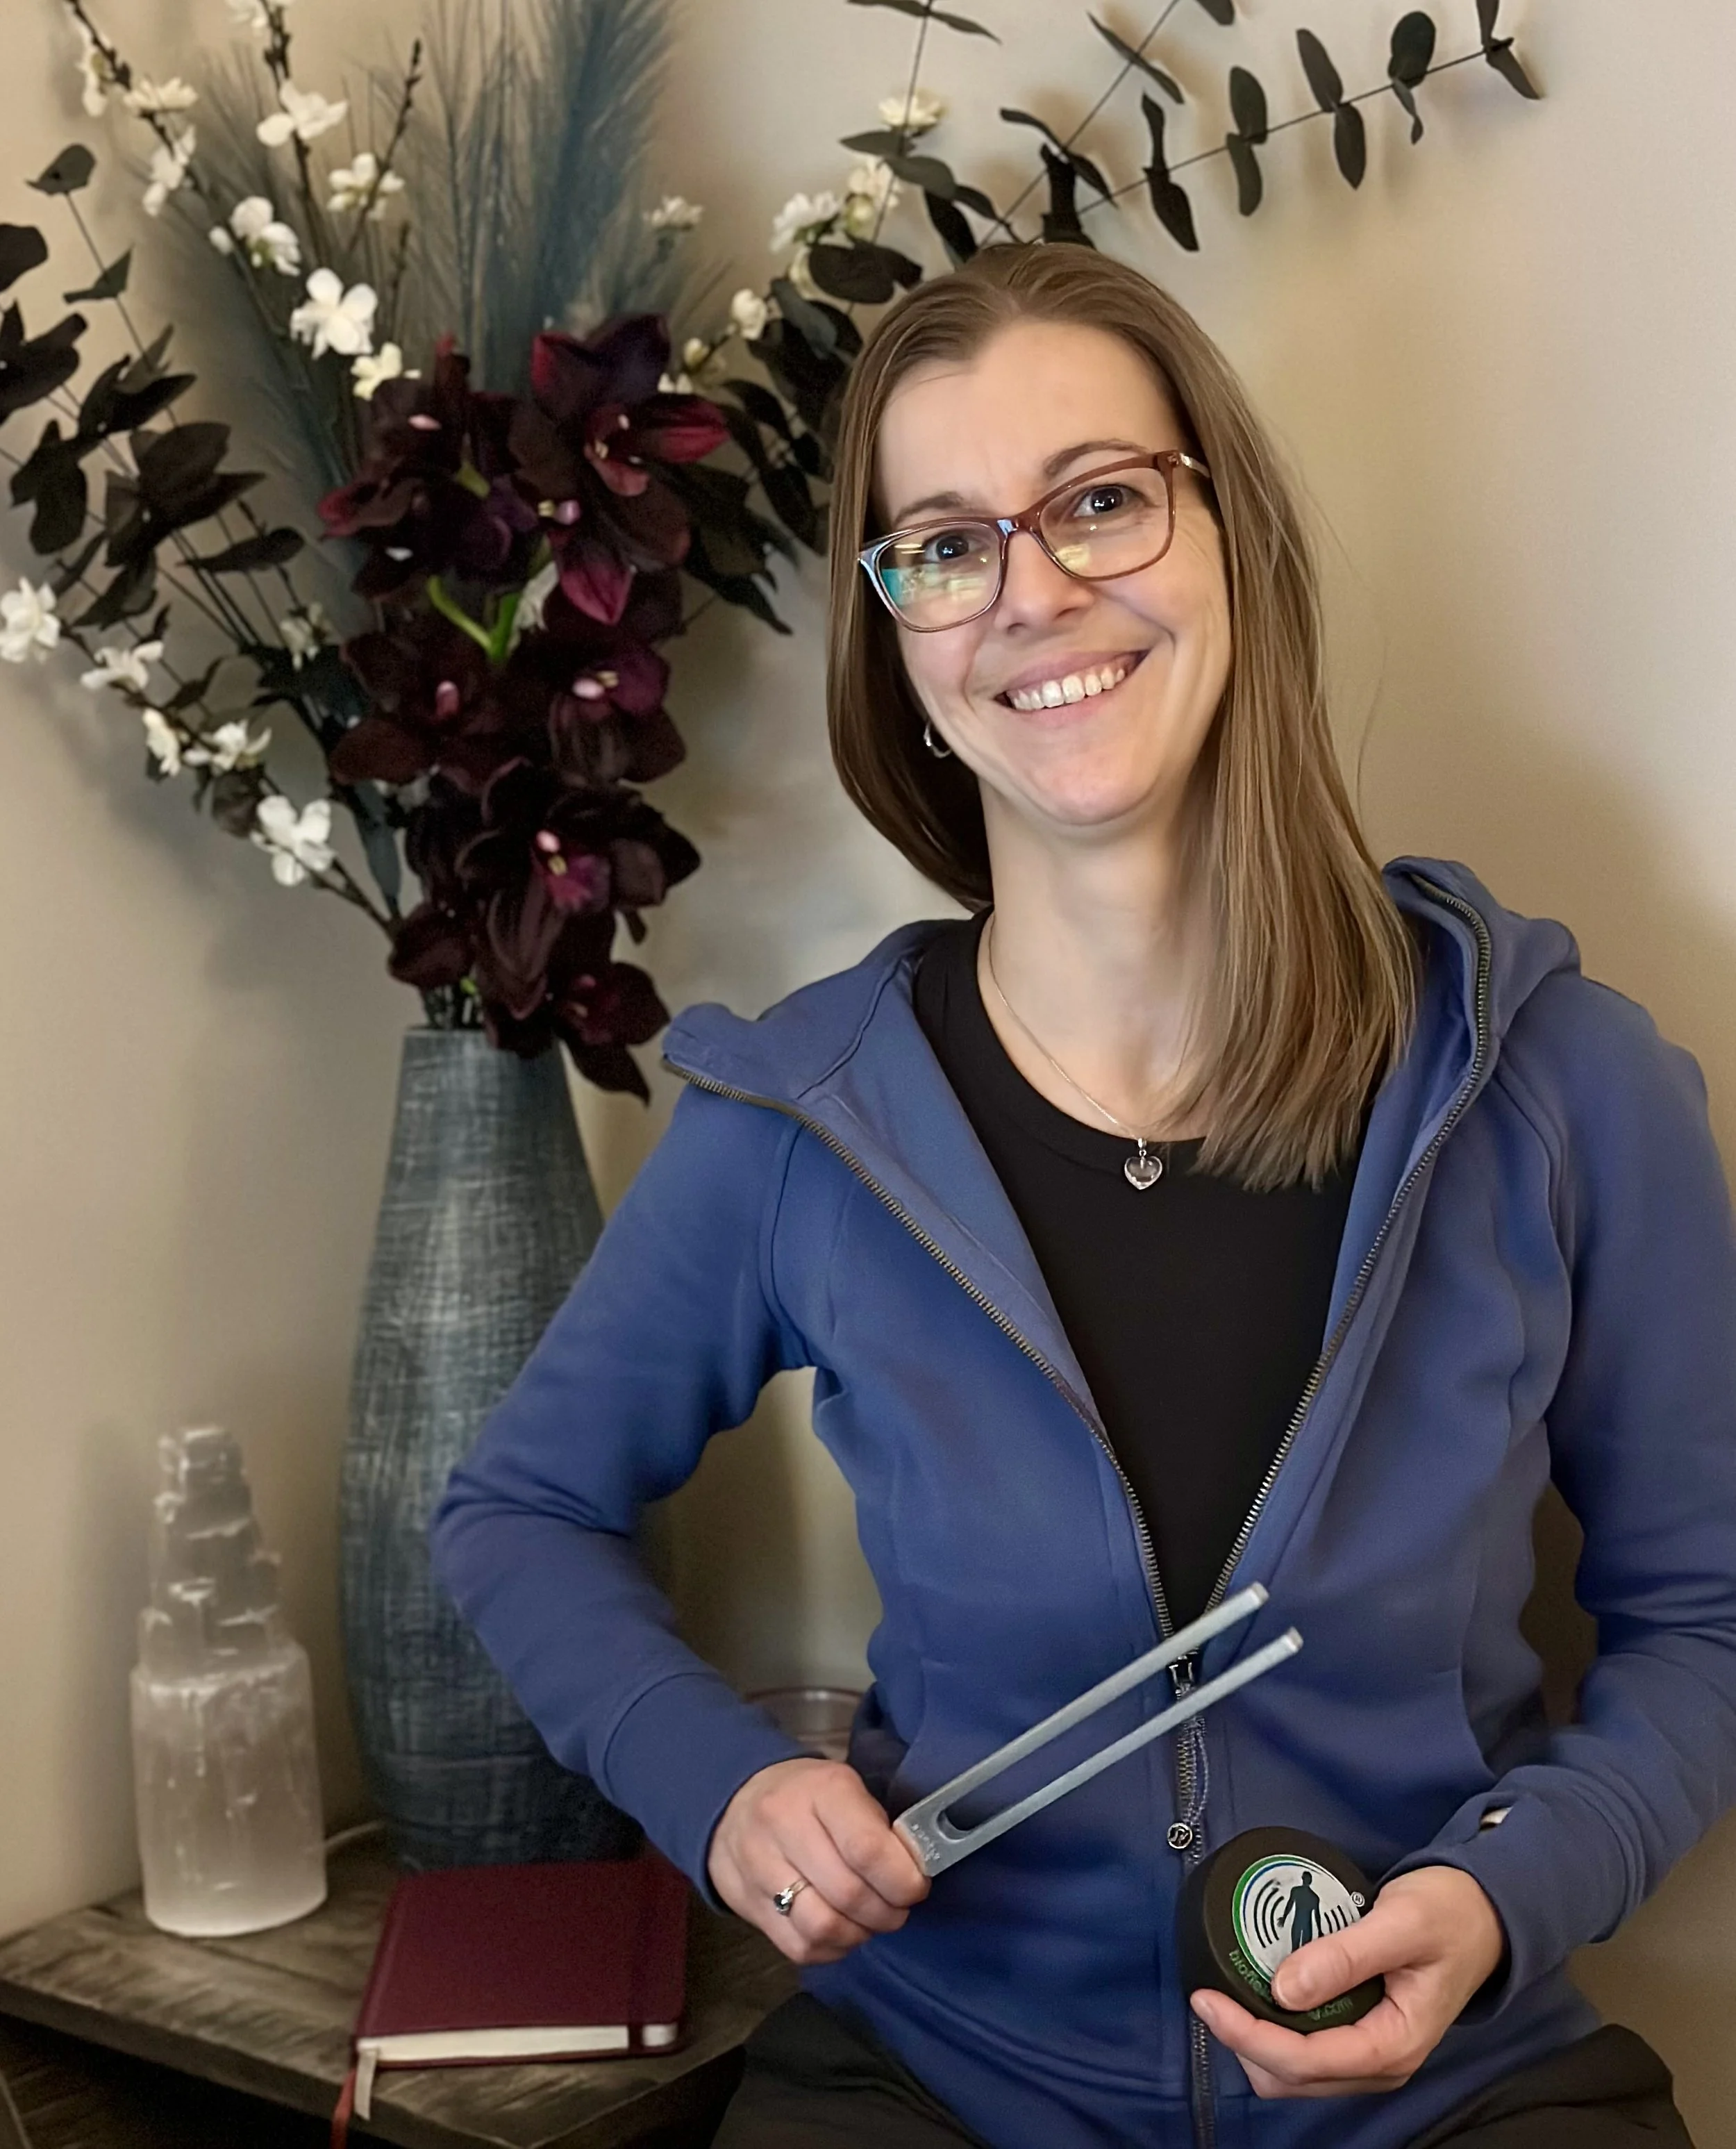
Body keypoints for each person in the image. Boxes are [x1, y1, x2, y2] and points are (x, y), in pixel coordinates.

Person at [428, 244, 1736, 2148]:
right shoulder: (796, 1118)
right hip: (934, 2076)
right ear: (899, 637)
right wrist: (718, 1786)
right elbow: (517, 1507)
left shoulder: (1556, 1079)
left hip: (1454, 2088)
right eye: (944, 543)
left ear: (1230, 537)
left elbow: (1706, 1613)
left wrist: (1500, 1892)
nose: (1031, 590)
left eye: (1099, 499)